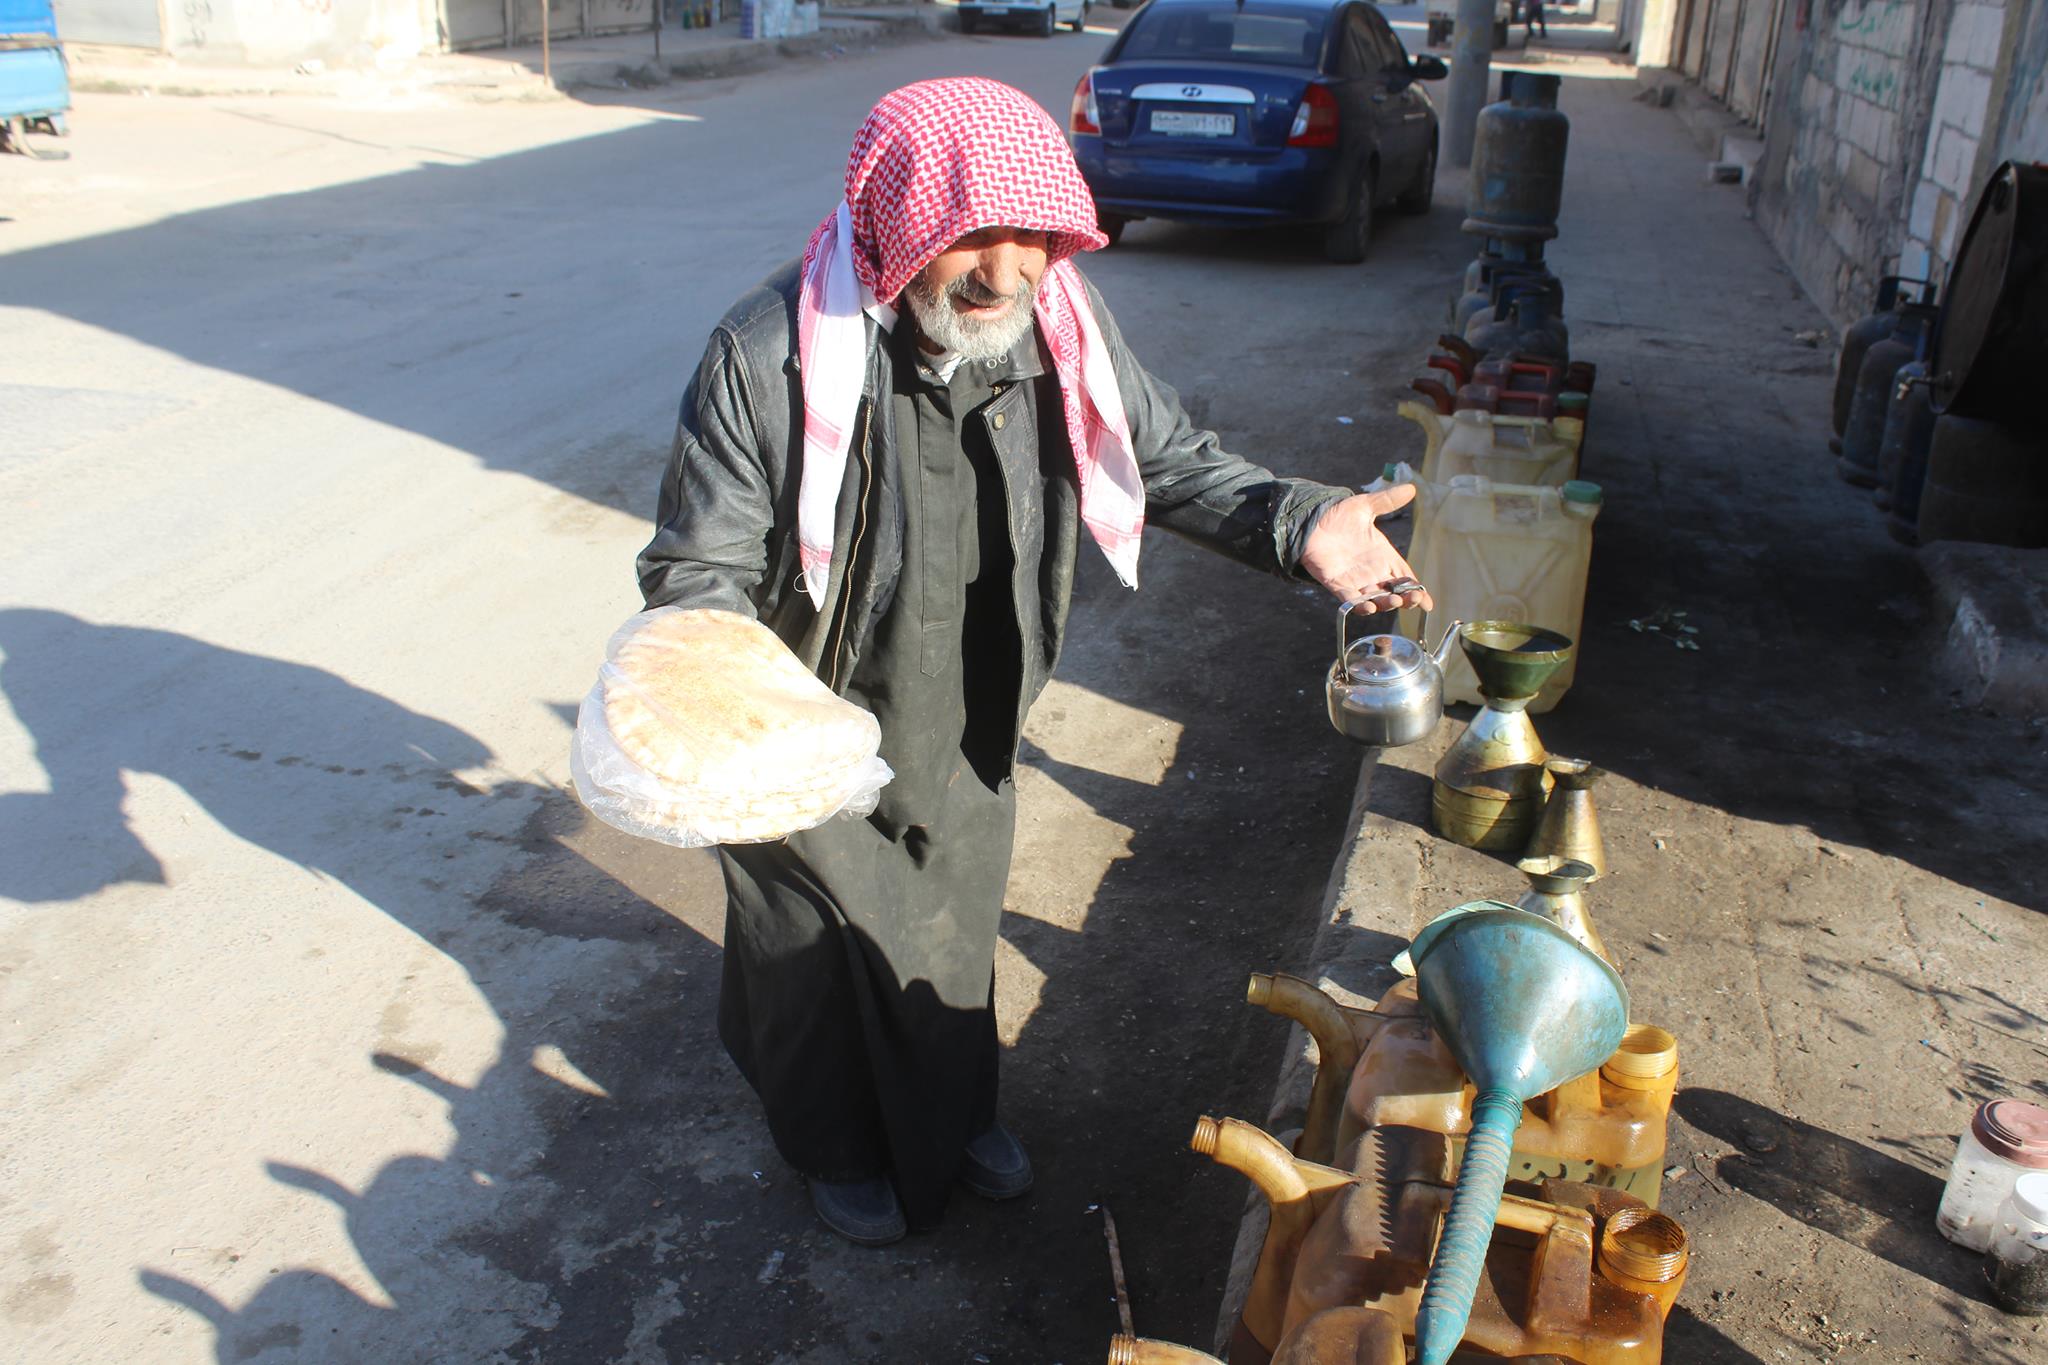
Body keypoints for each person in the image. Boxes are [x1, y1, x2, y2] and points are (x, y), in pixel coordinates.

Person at [637, 77, 1430, 1247]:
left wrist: (1298, 519)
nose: (1002, 273)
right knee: (810, 951)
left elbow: (1169, 460)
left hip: (969, 698)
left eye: (1028, 237)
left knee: (949, 923)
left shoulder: (1059, 325)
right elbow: (696, 564)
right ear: (897, 221)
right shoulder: (769, 356)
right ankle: (832, 1145)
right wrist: (703, 682)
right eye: (970, 236)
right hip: (795, 713)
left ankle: (951, 1116)